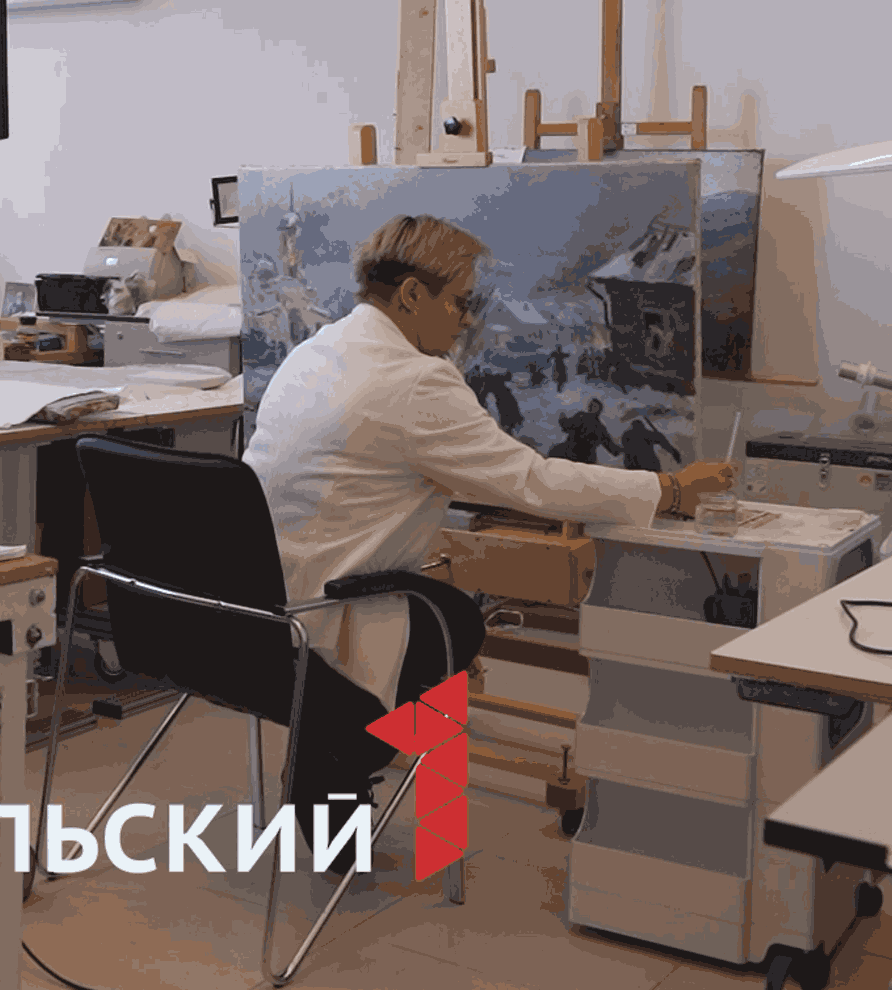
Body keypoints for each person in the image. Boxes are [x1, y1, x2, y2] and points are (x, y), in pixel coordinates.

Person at [244, 214, 734, 817]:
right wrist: (670, 489)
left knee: (445, 615)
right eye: (460, 301)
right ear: (412, 294)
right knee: (455, 624)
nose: (467, 319)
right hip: (321, 614)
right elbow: (532, 482)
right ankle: (349, 751)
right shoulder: (414, 379)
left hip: (248, 611)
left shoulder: (313, 352)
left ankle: (337, 752)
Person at [552, 397, 617, 464]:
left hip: (571, 453)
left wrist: (562, 419)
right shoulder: (601, 428)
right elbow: (612, 449)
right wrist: (621, 450)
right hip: (587, 459)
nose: (591, 407)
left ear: (599, 410)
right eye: (590, 405)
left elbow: (567, 426)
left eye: (594, 406)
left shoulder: (582, 417)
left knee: (554, 452)